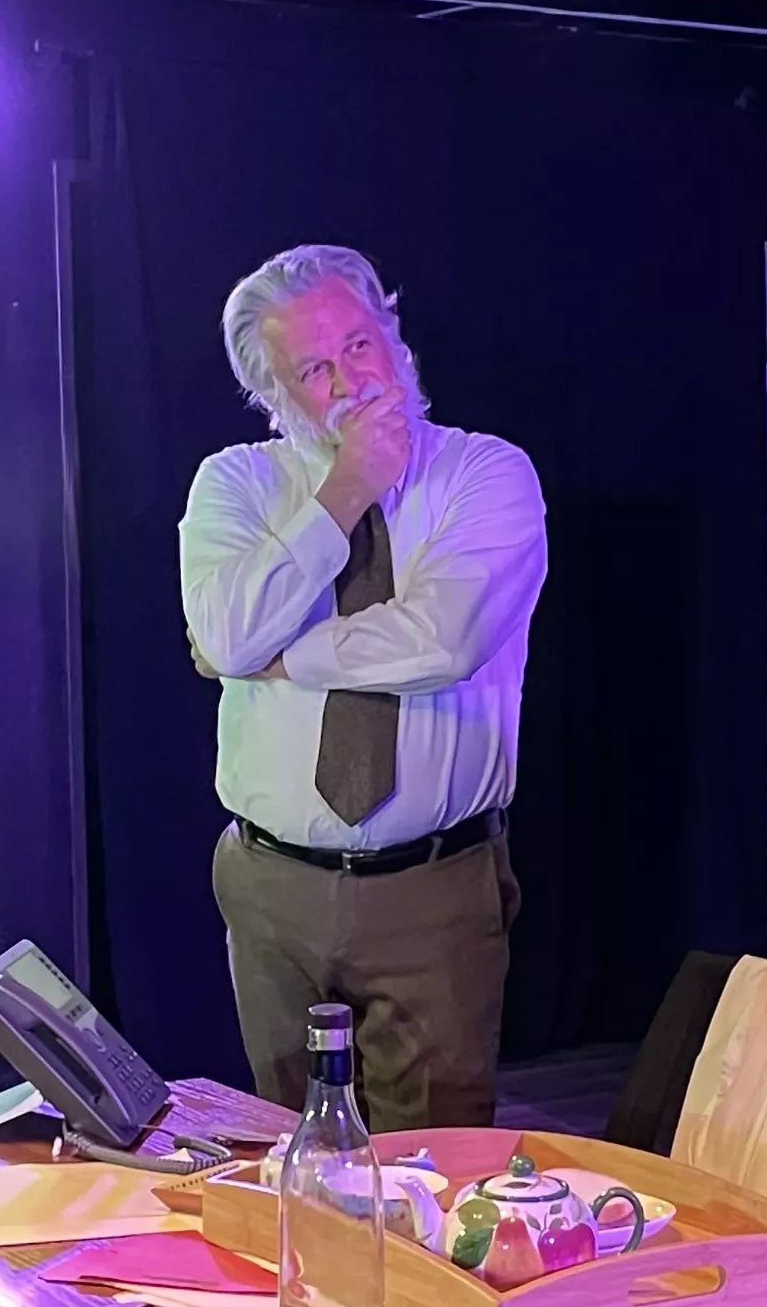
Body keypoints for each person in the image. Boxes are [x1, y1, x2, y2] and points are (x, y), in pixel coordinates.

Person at [181, 244, 547, 1129]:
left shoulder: (487, 473)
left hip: (433, 888)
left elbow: (441, 640)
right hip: (271, 888)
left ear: (393, 336)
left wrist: (278, 658)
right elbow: (226, 631)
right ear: (274, 394)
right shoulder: (237, 482)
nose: (350, 380)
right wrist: (344, 491)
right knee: (285, 1154)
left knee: (433, 1166)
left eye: (358, 344)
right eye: (314, 369)